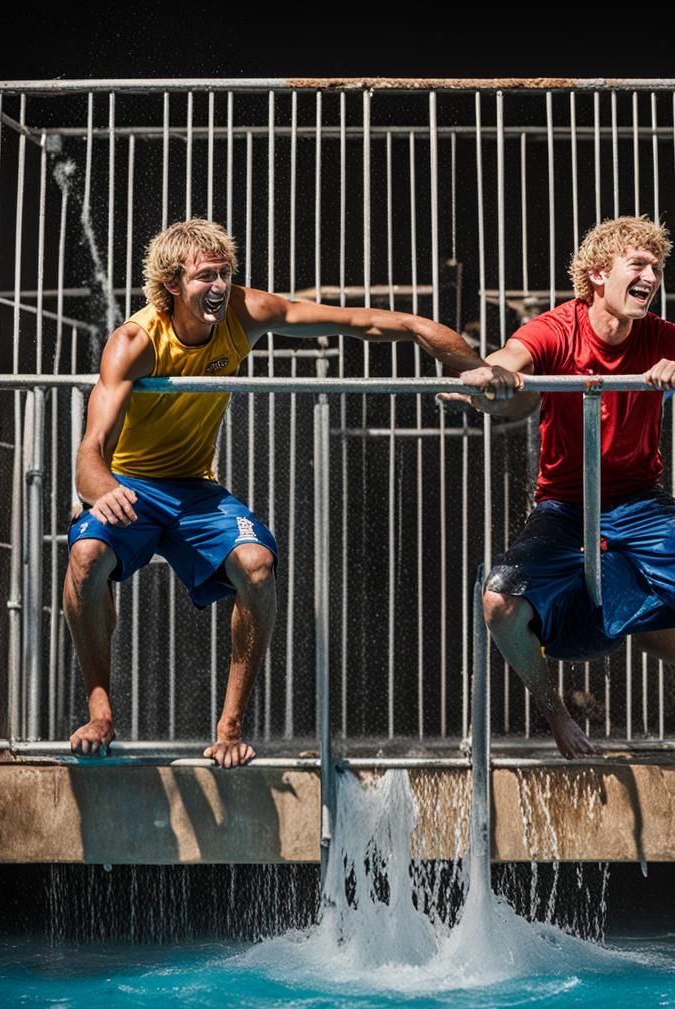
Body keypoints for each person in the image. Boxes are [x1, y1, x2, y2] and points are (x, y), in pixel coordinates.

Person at [66, 218, 513, 766]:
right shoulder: (134, 341)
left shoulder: (246, 312)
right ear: (173, 284)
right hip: (129, 486)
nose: (220, 286)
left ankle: (229, 728)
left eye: (225, 274)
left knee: (256, 566)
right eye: (206, 276)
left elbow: (367, 323)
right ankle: (100, 710)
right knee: (86, 557)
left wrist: (459, 356)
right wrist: (103, 488)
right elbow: (90, 450)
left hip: (194, 488)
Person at [453, 216, 675, 758]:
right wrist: (490, 375)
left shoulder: (664, 336)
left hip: (642, 505)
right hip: (565, 509)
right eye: (638, 265)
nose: (651, 276)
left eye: (657, 268)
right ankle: (558, 714)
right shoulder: (558, 327)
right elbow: (509, 358)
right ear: (598, 275)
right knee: (498, 602)